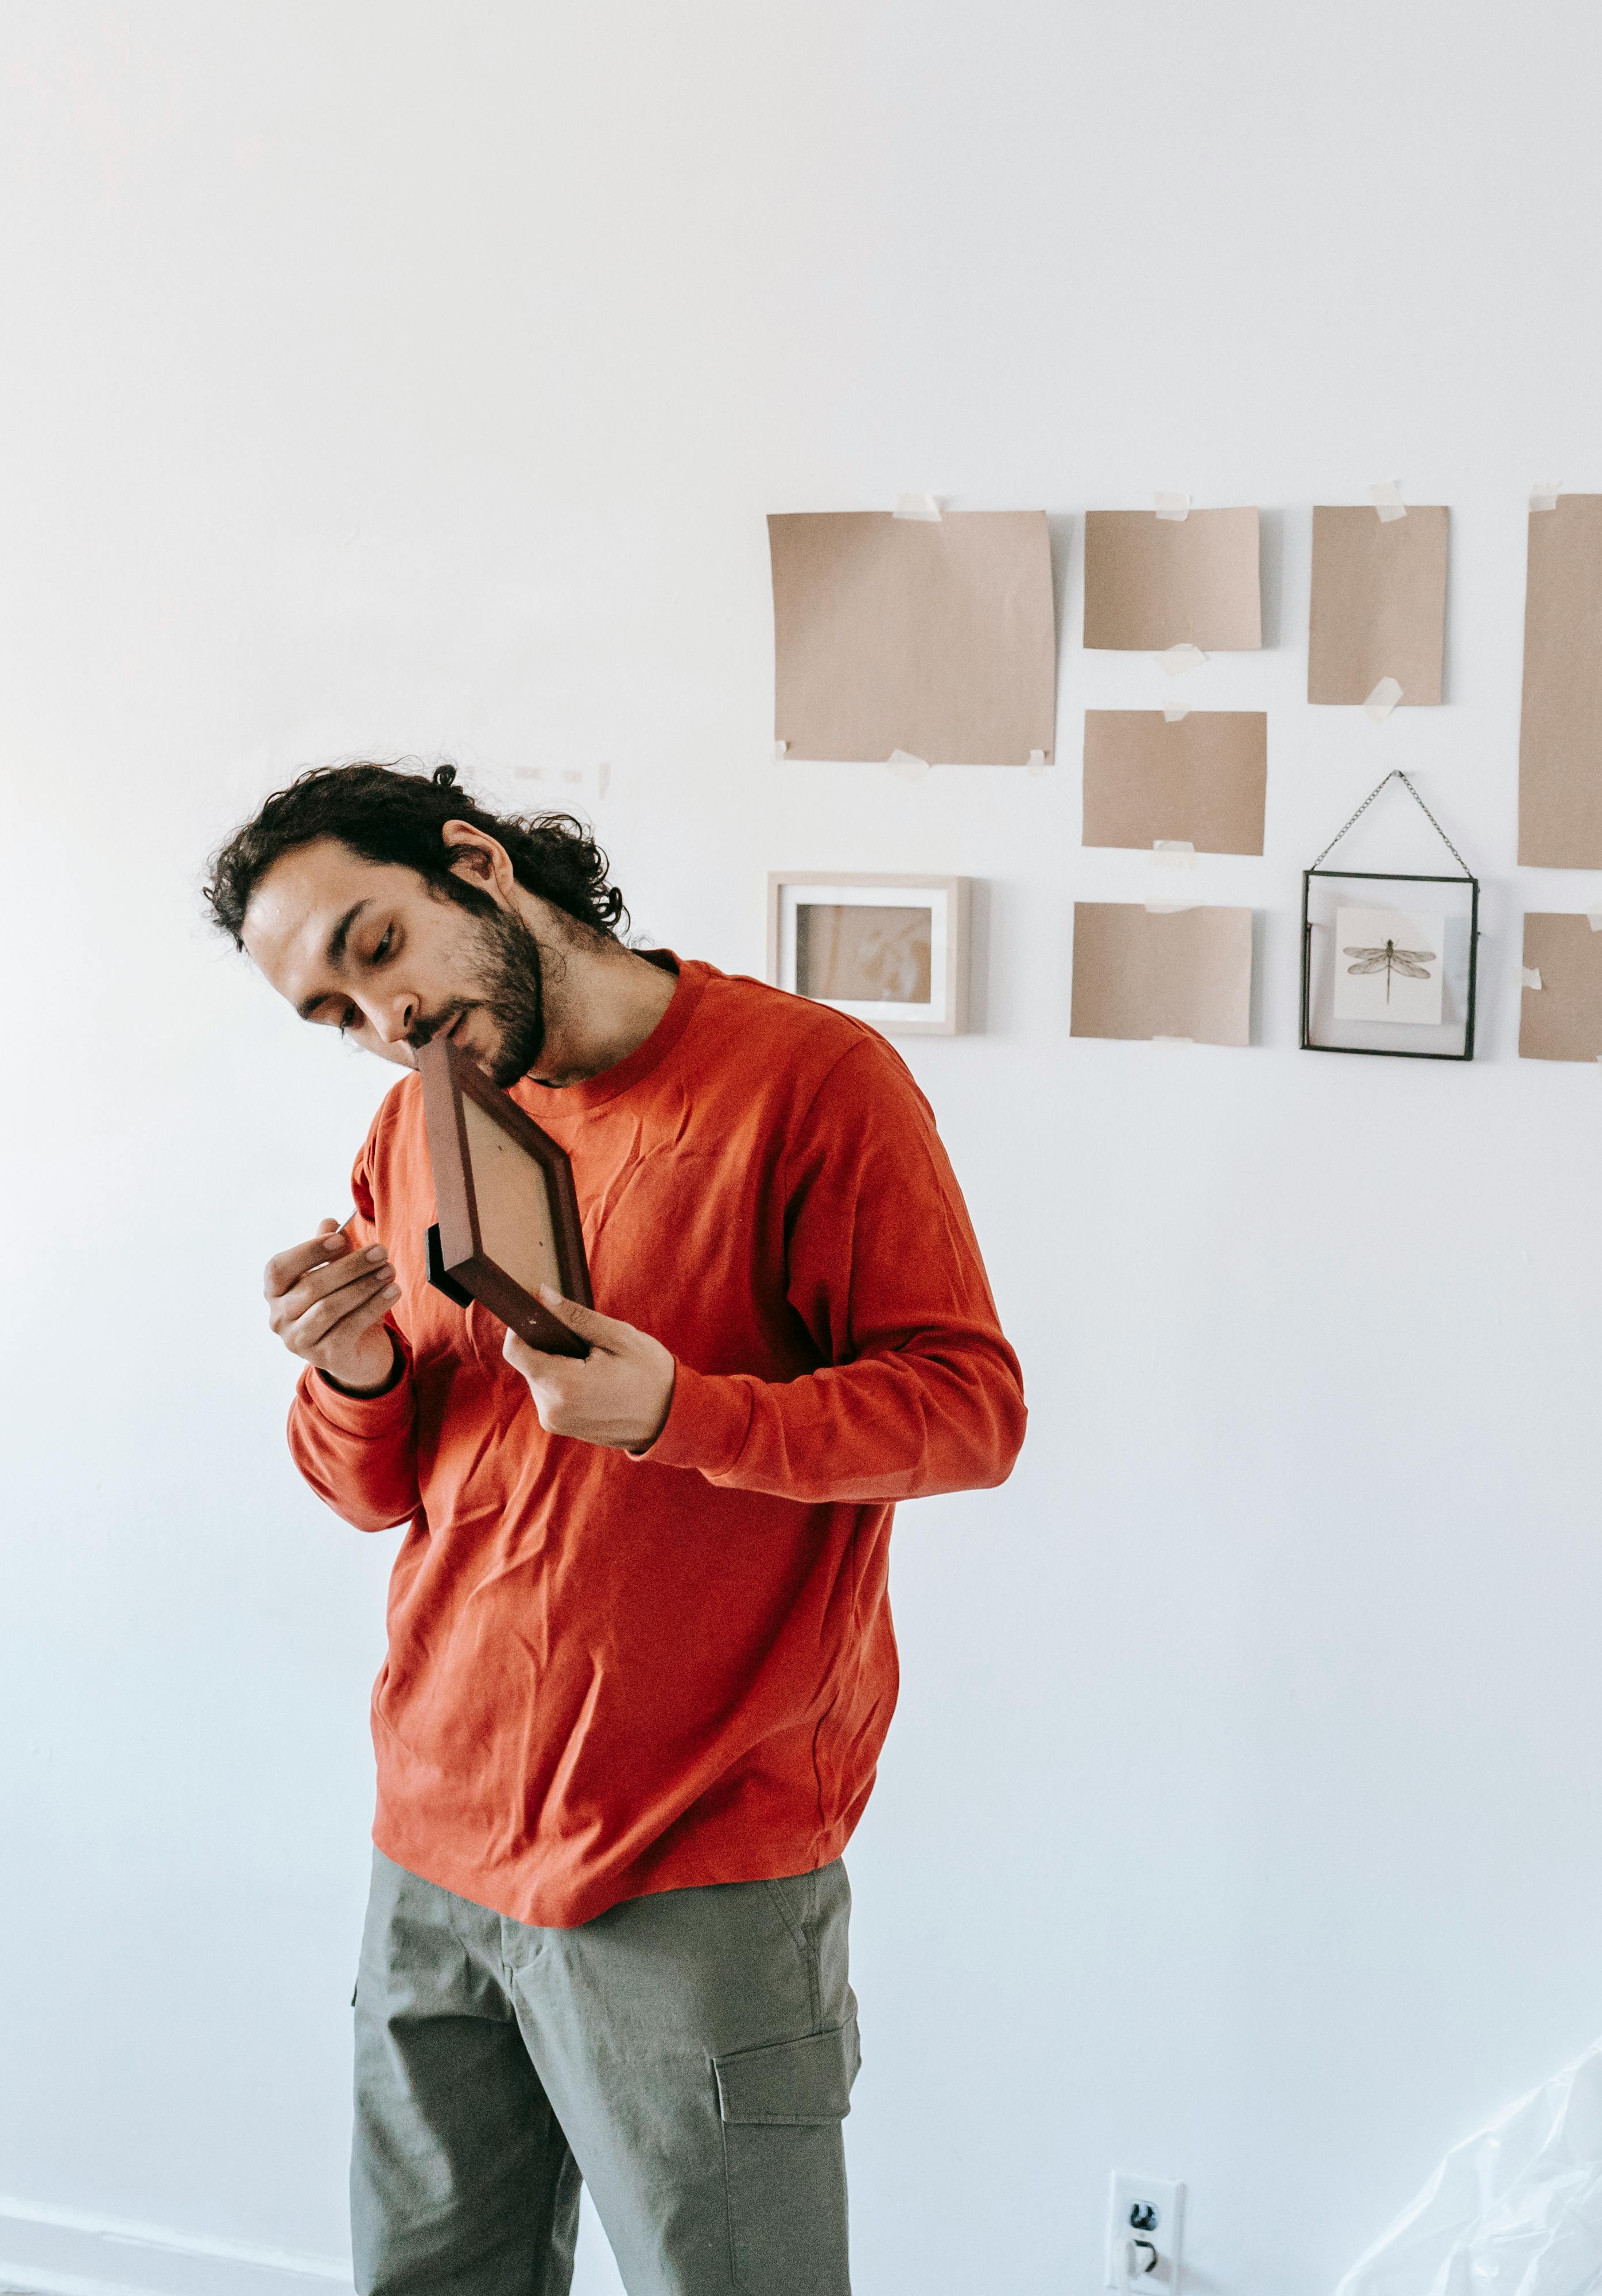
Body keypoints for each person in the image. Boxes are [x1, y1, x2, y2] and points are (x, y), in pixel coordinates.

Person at [204, 762, 1025, 2296]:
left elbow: (970, 1412)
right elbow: (377, 1489)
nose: (380, 1022)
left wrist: (686, 1412)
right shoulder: (416, 1129)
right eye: (330, 1012)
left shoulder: (810, 1083)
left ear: (475, 866)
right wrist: (354, 1370)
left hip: (695, 1862)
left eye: (378, 947)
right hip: (434, 1847)